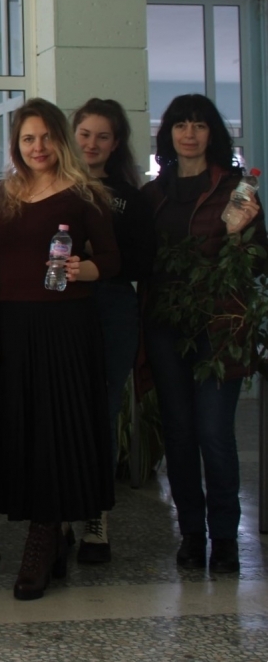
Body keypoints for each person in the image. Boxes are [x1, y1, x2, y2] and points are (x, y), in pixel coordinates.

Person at [0, 99, 119, 600]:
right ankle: (52, 531)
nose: (37, 147)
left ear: (60, 139)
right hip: (14, 326)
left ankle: (43, 536)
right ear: (15, 145)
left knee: (58, 429)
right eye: (27, 139)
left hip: (66, 325)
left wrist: (85, 268)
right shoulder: (0, 194)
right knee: (25, 427)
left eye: (45, 137)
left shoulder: (85, 194)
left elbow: (112, 260)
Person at [140, 94, 265, 575]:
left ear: (212, 133)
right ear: (168, 134)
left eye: (198, 125)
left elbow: (257, 262)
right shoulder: (154, 194)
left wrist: (239, 234)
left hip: (219, 327)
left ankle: (225, 537)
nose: (189, 134)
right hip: (165, 327)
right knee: (179, 432)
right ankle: (191, 533)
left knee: (213, 433)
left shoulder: (236, 190)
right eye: (180, 125)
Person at [72, 98, 154, 564]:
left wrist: (100, 258)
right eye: (85, 134)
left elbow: (143, 261)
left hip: (112, 309)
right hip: (62, 309)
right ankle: (60, 511)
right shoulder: (55, 185)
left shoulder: (131, 197)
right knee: (63, 409)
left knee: (103, 411)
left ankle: (96, 515)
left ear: (116, 142)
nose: (92, 144)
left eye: (102, 136)